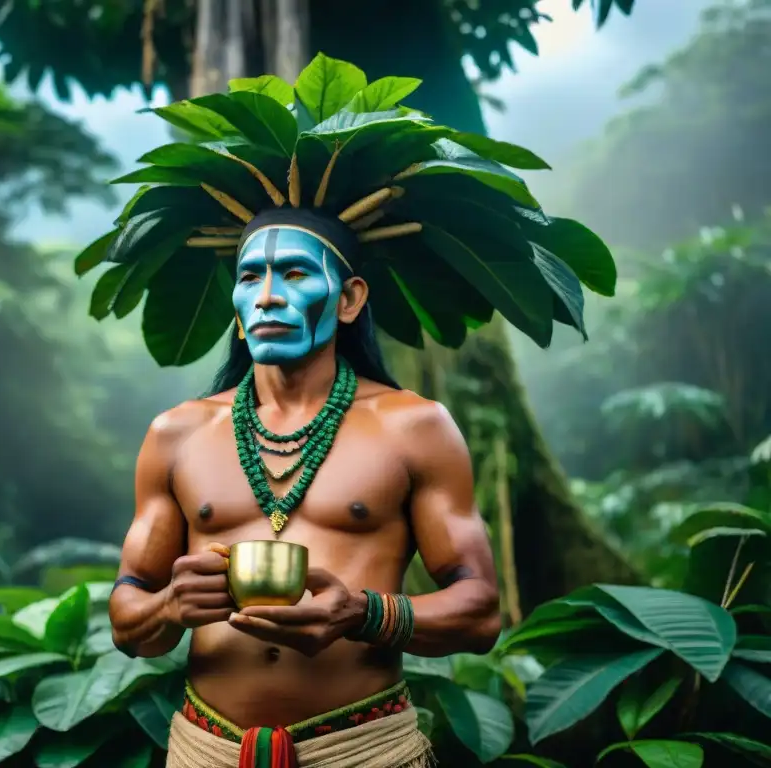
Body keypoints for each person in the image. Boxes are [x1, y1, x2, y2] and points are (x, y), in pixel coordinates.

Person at [83, 53, 614, 768]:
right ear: (234, 308)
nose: (268, 294)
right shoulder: (176, 434)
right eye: (249, 277)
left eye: (295, 273)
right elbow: (128, 616)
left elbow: (480, 611)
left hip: (364, 749)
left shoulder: (413, 428)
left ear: (351, 298)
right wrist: (170, 607)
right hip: (204, 748)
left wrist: (362, 613)